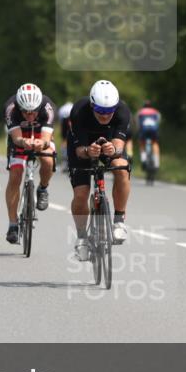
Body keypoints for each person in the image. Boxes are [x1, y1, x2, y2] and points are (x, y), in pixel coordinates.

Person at [67, 80, 132, 260]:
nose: (105, 116)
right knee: (81, 194)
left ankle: (119, 221)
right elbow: (79, 151)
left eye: (109, 111)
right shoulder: (79, 111)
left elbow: (119, 145)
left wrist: (114, 150)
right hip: (84, 146)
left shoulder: (122, 111)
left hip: (109, 143)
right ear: (92, 104)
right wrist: (88, 150)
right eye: (101, 111)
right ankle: (81, 237)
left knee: (121, 167)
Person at [2, 84, 57, 244]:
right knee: (15, 174)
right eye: (25, 111)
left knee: (47, 160)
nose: (30, 115)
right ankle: (13, 224)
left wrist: (42, 143)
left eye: (33, 111)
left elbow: (47, 139)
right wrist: (23, 141)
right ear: (19, 107)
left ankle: (43, 188)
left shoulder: (48, 107)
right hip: (20, 137)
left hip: (42, 135)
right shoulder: (10, 108)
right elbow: (16, 138)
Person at [136, 99, 162, 170]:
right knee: (155, 143)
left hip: (144, 130)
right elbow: (158, 122)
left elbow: (138, 124)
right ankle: (156, 164)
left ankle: (143, 160)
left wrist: (138, 131)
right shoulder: (156, 112)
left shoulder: (140, 112)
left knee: (142, 143)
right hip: (153, 130)